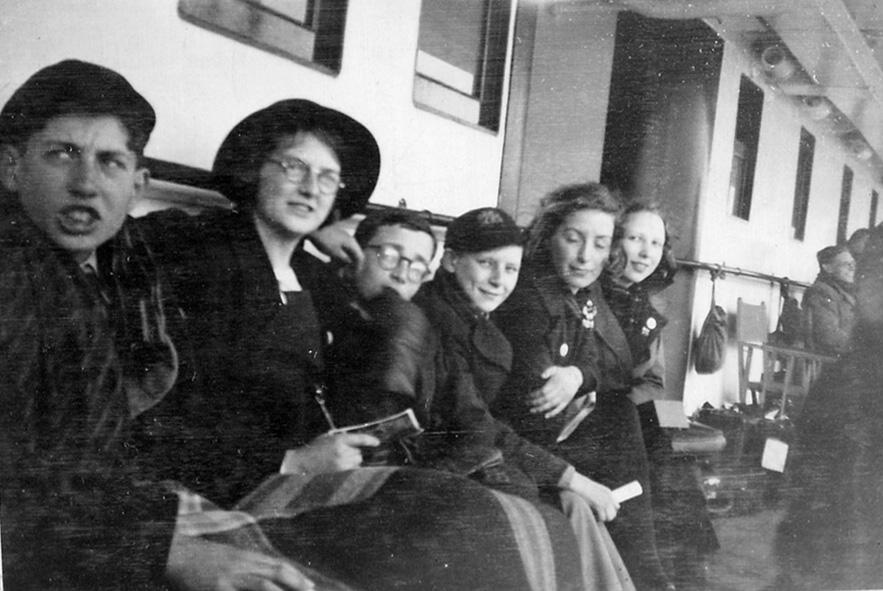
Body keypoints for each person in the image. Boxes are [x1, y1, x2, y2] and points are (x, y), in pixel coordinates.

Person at [139, 101, 584, 590]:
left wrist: (334, 245)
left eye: (327, 179)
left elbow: (379, 350)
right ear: (254, 170)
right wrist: (291, 461)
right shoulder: (203, 250)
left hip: (314, 464)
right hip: (237, 478)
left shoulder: (314, 278)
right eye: (294, 168)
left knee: (515, 519)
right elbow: (182, 408)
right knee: (467, 524)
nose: (311, 188)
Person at [0, 60, 314, 591]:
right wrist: (168, 553)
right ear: (11, 168)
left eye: (110, 163)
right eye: (62, 154)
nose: (85, 185)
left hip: (119, 504)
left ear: (139, 184)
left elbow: (200, 232)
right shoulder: (14, 272)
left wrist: (317, 231)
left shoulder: (125, 260)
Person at [412, 206, 634, 590]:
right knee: (555, 511)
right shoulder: (440, 322)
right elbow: (477, 427)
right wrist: (570, 477)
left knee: (575, 504)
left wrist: (568, 480)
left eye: (510, 269)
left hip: (483, 458)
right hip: (442, 468)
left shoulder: (473, 315)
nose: (499, 280)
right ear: (450, 261)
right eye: (486, 263)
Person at [493, 183, 673, 590]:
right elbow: (539, 397)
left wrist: (577, 376)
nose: (585, 256)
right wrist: (577, 382)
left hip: (551, 425)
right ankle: (647, 574)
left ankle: (646, 570)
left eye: (599, 243)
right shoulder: (530, 298)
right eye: (573, 239)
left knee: (629, 423)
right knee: (621, 422)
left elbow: (590, 359)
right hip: (523, 437)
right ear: (548, 235)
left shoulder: (583, 289)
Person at [600, 201, 718, 589]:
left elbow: (655, 380)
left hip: (629, 407)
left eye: (656, 242)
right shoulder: (590, 290)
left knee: (676, 465)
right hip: (595, 412)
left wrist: (634, 408)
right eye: (635, 238)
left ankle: (689, 569)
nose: (646, 251)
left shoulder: (647, 305)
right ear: (613, 241)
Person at [775, 223, 883, 589]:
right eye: (867, 271)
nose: (861, 279)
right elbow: (828, 336)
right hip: (838, 560)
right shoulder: (823, 295)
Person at [801, 243, 856, 356]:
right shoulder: (821, 291)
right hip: (829, 363)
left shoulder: (844, 292)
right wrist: (864, 348)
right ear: (827, 267)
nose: (852, 268)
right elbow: (829, 336)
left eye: (853, 264)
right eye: (846, 264)